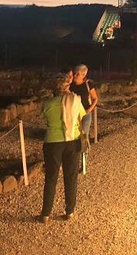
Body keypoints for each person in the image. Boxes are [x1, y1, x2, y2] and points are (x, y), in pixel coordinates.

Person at [38, 71, 85, 223]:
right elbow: (81, 116)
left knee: (51, 178)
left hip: (52, 143)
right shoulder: (75, 100)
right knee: (71, 177)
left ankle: (45, 214)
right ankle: (69, 211)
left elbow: (44, 117)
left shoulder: (47, 104)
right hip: (72, 141)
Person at [70, 64, 98, 159]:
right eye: (75, 73)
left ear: (83, 75)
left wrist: (89, 110)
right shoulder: (70, 85)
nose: (75, 75)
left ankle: (84, 157)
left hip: (85, 114)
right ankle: (75, 155)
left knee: (84, 134)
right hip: (73, 114)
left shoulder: (88, 84)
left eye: (77, 74)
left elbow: (95, 98)